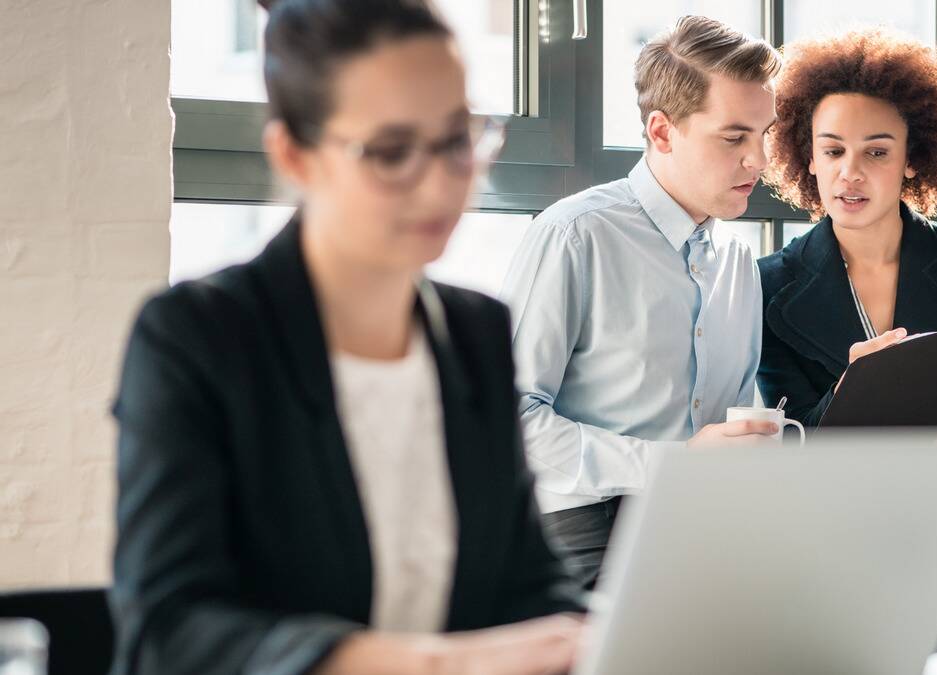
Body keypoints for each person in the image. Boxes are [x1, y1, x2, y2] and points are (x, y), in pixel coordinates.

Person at [108, 1, 585, 673]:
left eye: (457, 139)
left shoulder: (477, 330)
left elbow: (527, 580)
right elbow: (172, 629)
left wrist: (592, 634)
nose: (440, 182)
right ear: (295, 155)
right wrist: (439, 664)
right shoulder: (197, 337)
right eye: (391, 152)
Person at [500, 16, 783, 588]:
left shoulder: (738, 262)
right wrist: (670, 466)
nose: (760, 161)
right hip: (587, 539)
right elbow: (509, 423)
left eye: (765, 134)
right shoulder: (575, 235)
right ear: (661, 132)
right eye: (734, 138)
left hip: (709, 536)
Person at [757, 29, 937, 535]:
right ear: (808, 157)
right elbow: (788, 455)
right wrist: (846, 395)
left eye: (877, 153)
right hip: (835, 550)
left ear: (912, 159)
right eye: (833, 151)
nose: (851, 173)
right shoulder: (769, 285)